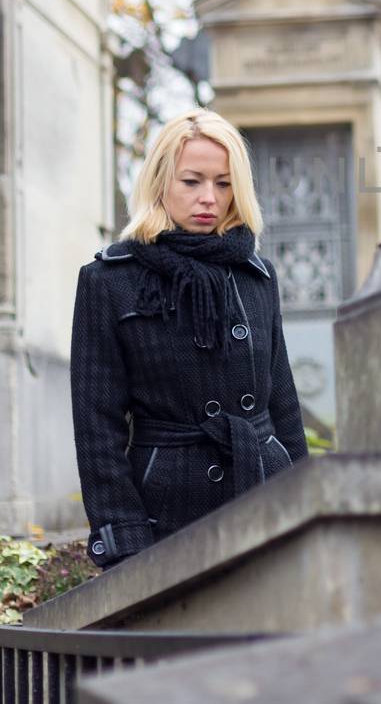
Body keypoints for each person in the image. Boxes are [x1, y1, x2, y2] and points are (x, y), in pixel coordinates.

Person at [71, 109, 307, 568]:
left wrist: (305, 501)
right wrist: (123, 534)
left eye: (223, 183)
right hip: (169, 508)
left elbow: (283, 403)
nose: (209, 199)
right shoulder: (110, 280)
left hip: (265, 492)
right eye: (192, 181)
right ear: (161, 182)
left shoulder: (256, 276)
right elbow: (96, 425)